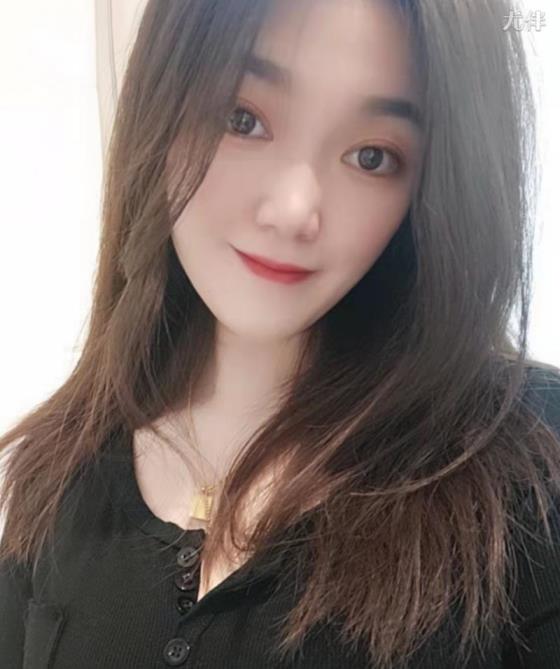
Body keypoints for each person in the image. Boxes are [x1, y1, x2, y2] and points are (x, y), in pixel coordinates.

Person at [1, 0, 560, 667]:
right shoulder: (60, 472)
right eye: (242, 118)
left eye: (372, 156)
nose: (295, 209)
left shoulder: (526, 469)